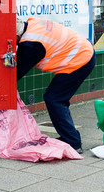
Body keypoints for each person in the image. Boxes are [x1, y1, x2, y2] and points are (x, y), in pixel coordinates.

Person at [16, 17, 96, 154]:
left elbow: (17, 72)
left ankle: (72, 142)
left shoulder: (31, 45)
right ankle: (69, 137)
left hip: (80, 59)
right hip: (83, 52)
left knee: (55, 99)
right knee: (57, 98)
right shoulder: (31, 24)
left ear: (17, 36)